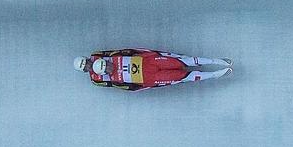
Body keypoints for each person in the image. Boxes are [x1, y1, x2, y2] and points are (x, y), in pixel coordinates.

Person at [75, 48, 231, 90]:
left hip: (148, 62)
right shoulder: (101, 79)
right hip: (148, 79)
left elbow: (129, 50)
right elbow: (127, 88)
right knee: (182, 75)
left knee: (182, 61)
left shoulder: (109, 56)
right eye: (85, 68)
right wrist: (145, 85)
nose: (109, 67)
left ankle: (216, 61)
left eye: (107, 64)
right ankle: (214, 75)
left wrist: (149, 53)